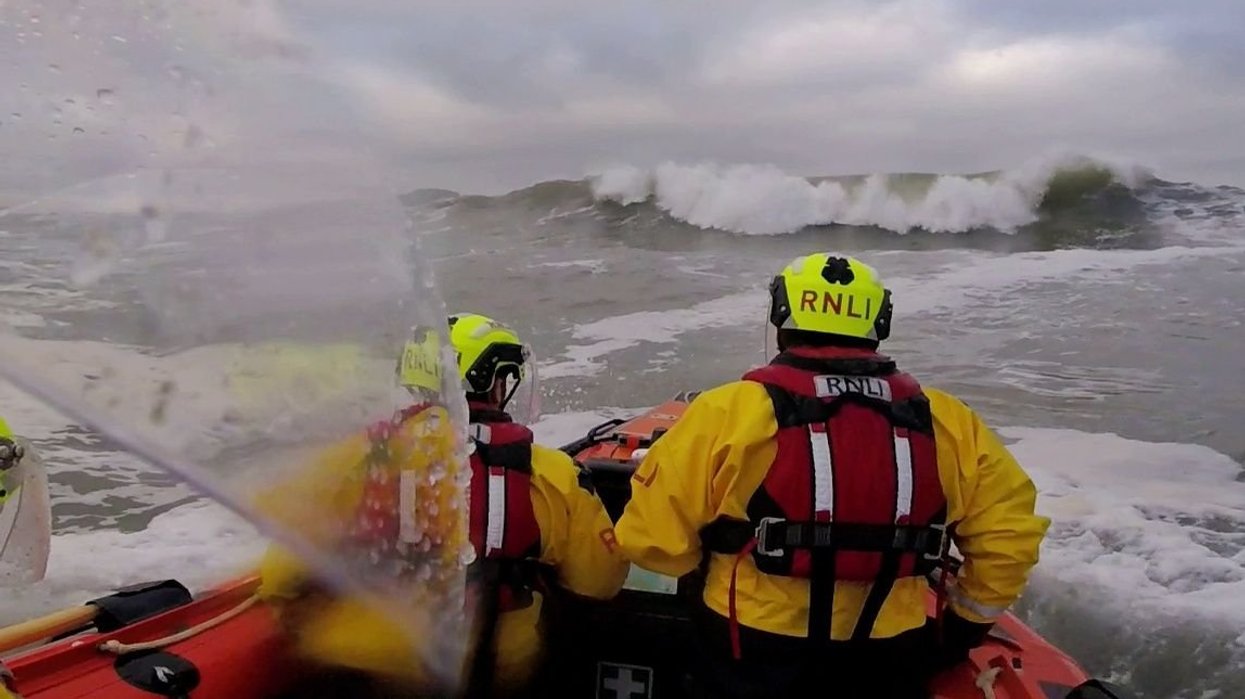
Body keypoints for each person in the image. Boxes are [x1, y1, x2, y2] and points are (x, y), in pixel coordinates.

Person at [614, 253, 1050, 698]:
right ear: (877, 323)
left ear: (781, 319)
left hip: (750, 643)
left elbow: (652, 540)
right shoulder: (948, 421)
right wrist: (961, 628)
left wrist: (702, 570)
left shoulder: (725, 412)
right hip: (889, 649)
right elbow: (1010, 538)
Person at [257, 312, 628, 698]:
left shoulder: (349, 460)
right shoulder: (550, 474)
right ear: (490, 384)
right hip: (493, 672)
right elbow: (600, 582)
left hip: (365, 668)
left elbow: (281, 578)